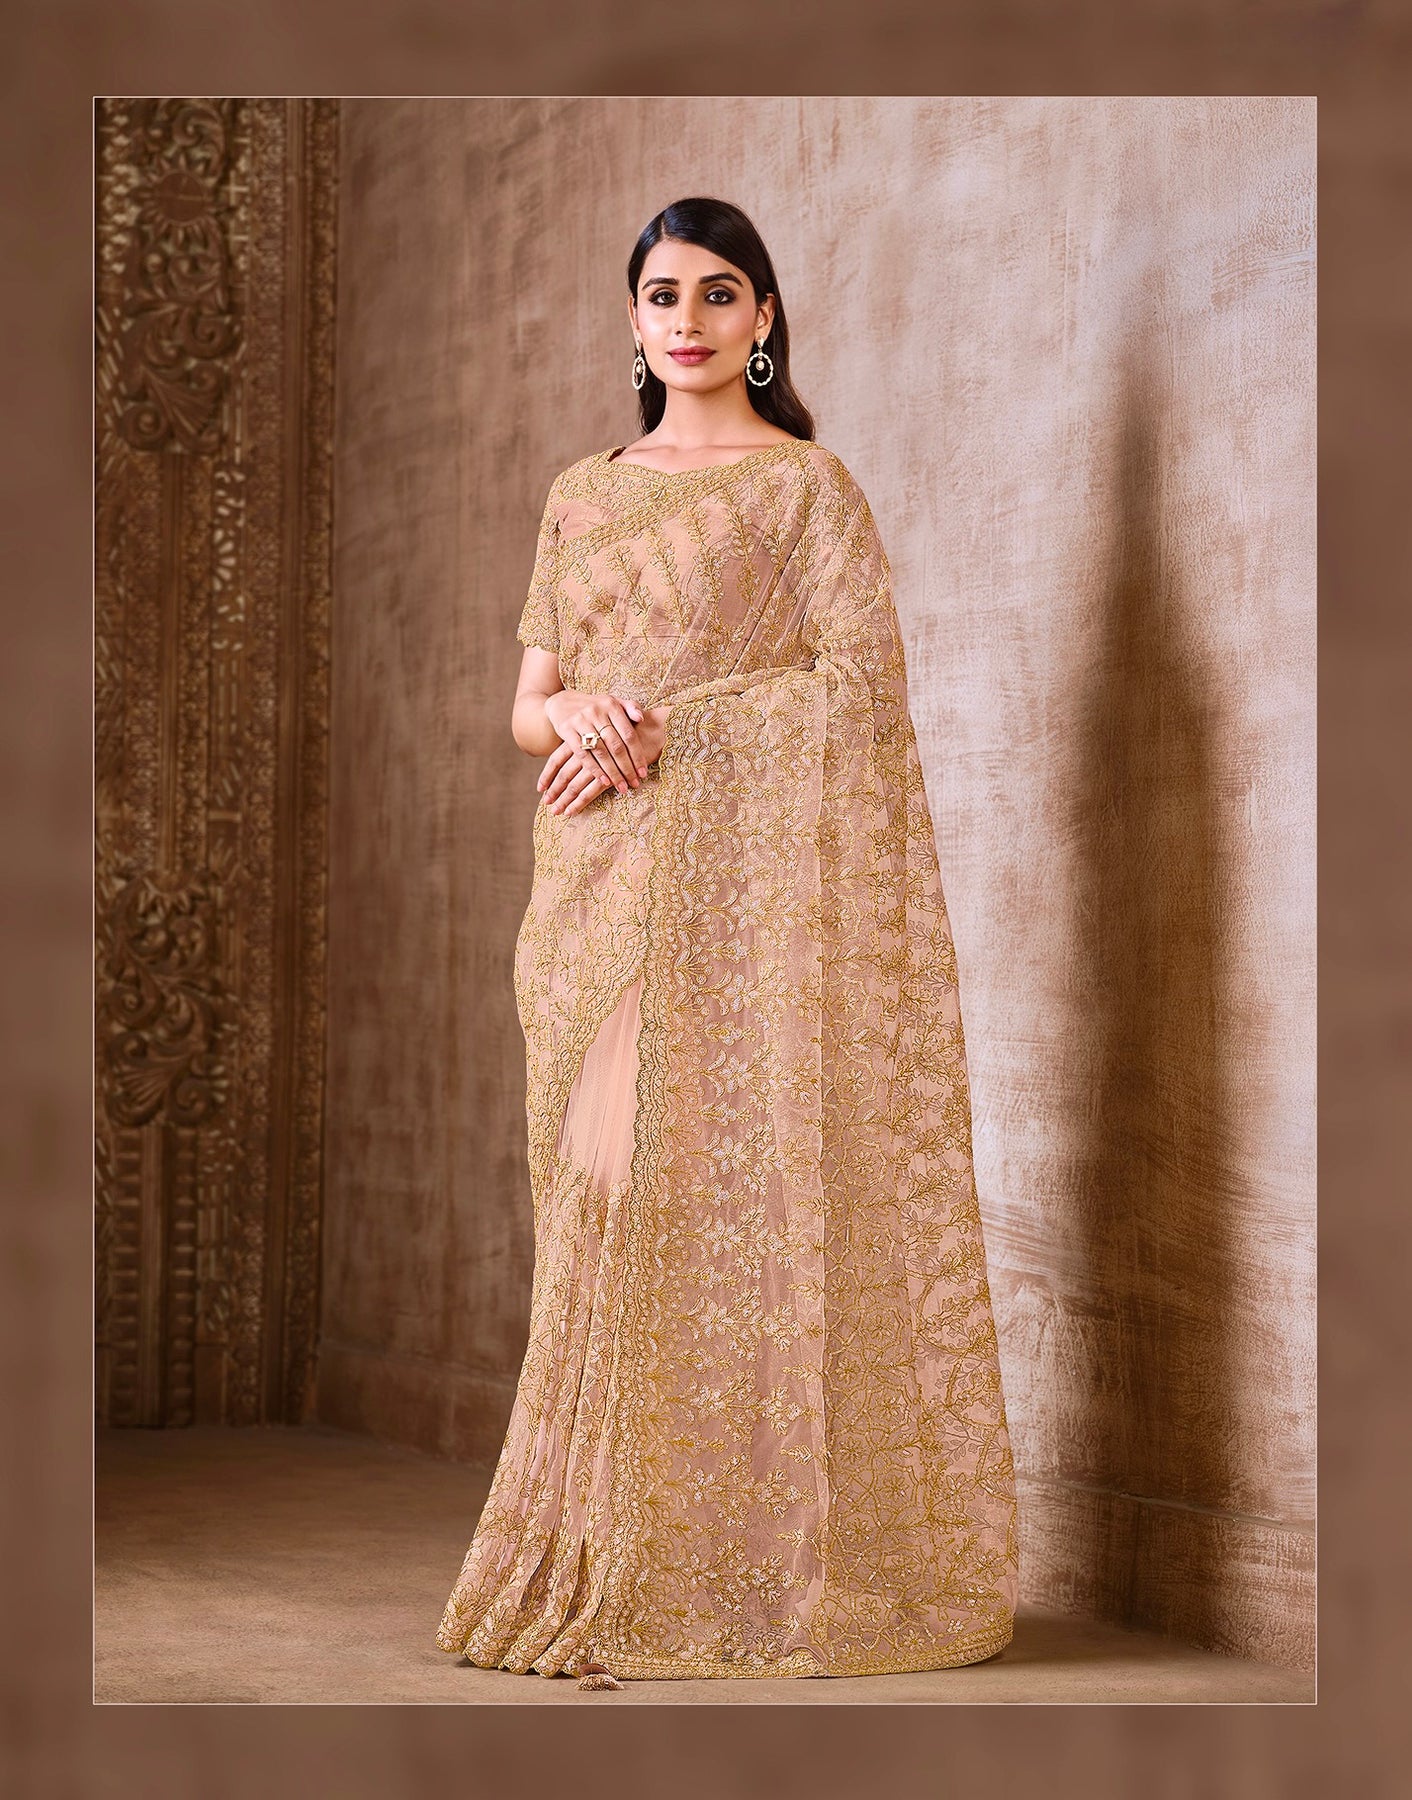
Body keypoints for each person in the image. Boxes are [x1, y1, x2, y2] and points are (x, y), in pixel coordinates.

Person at [434, 196, 1019, 1687]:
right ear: (631, 321)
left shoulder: (806, 490)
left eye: (717, 293)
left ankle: (681, 1569)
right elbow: (527, 707)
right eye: (661, 295)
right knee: (594, 1203)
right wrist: (576, 712)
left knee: (696, 1202)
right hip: (586, 890)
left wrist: (671, 732)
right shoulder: (581, 494)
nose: (686, 320)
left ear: (764, 319)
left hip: (736, 902)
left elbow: (858, 695)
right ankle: (601, 1553)